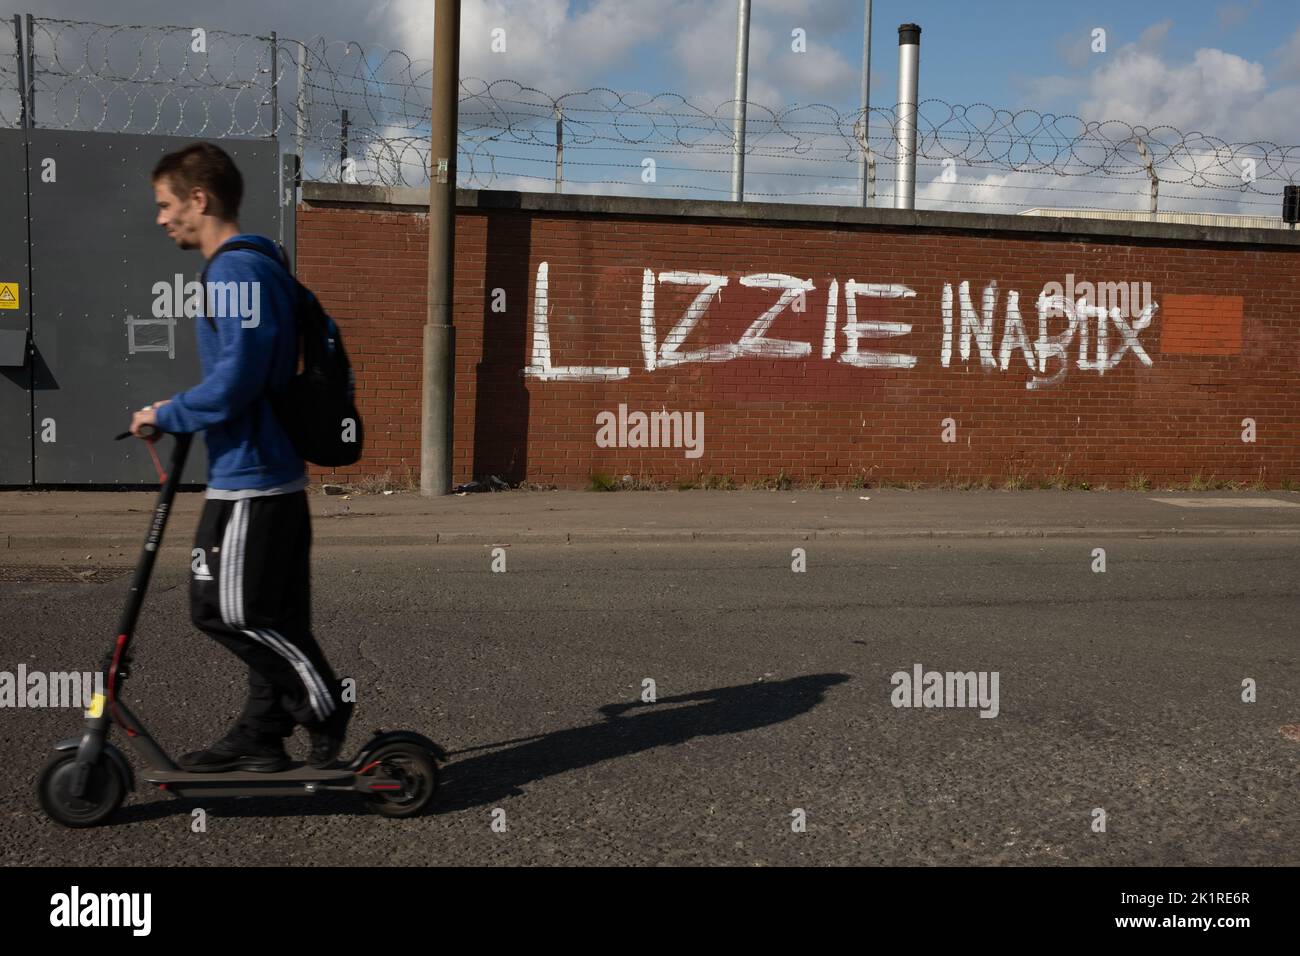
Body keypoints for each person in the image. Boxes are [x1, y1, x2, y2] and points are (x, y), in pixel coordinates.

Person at [131, 141, 352, 772]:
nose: (161, 218)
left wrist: (166, 413)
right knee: (269, 612)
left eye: (166, 203)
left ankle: (324, 704)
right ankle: (262, 732)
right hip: (264, 478)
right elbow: (241, 374)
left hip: (252, 481)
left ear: (200, 199)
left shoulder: (234, 272)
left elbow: (236, 383)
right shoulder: (257, 269)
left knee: (225, 610)